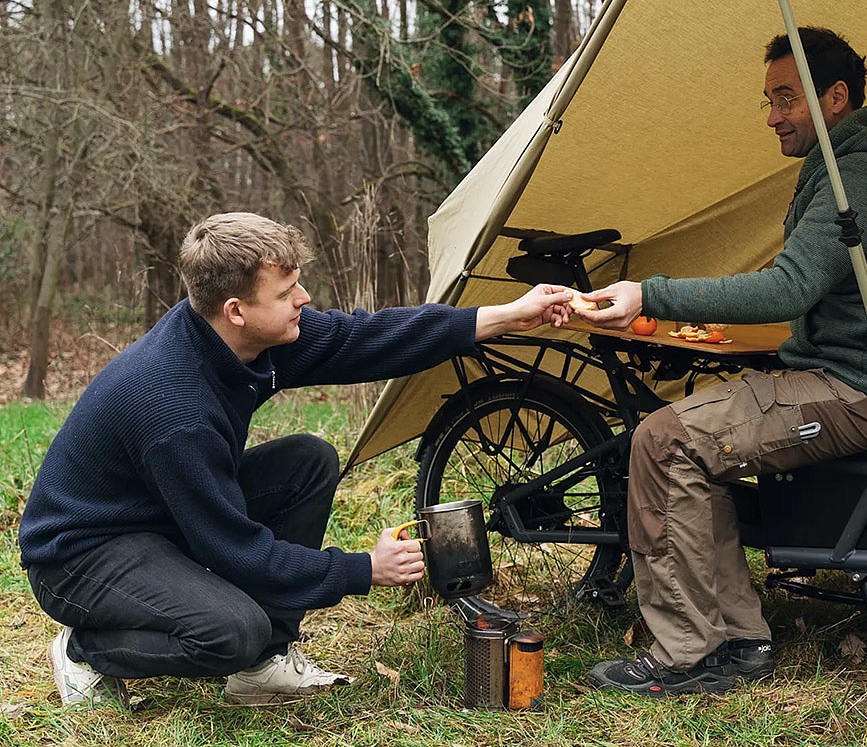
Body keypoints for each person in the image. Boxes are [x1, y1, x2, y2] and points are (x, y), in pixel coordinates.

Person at [18, 212, 572, 707]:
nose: (303, 298)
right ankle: (88, 651)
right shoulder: (173, 406)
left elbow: (365, 336)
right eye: (285, 292)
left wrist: (505, 316)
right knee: (231, 634)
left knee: (308, 459)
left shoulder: (243, 337)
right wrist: (362, 570)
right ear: (236, 310)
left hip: (160, 517)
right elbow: (235, 549)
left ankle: (264, 665)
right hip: (82, 554)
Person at [575, 27, 867, 696]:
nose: (773, 116)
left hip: (861, 391)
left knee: (663, 441)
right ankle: (740, 640)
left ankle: (686, 655)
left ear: (836, 98)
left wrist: (648, 292)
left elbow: (789, 287)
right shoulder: (859, 166)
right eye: (769, 100)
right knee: (691, 439)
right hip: (859, 376)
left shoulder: (860, 177)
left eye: (786, 98)